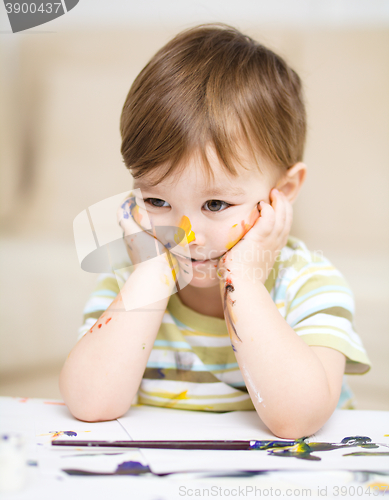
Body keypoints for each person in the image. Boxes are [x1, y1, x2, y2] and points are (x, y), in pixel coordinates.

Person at [59, 24, 370, 438]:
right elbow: (90, 403)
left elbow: (297, 420)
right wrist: (150, 276)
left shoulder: (309, 284)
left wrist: (242, 279)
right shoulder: (128, 281)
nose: (185, 236)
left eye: (216, 204)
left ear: (283, 192)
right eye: (156, 201)